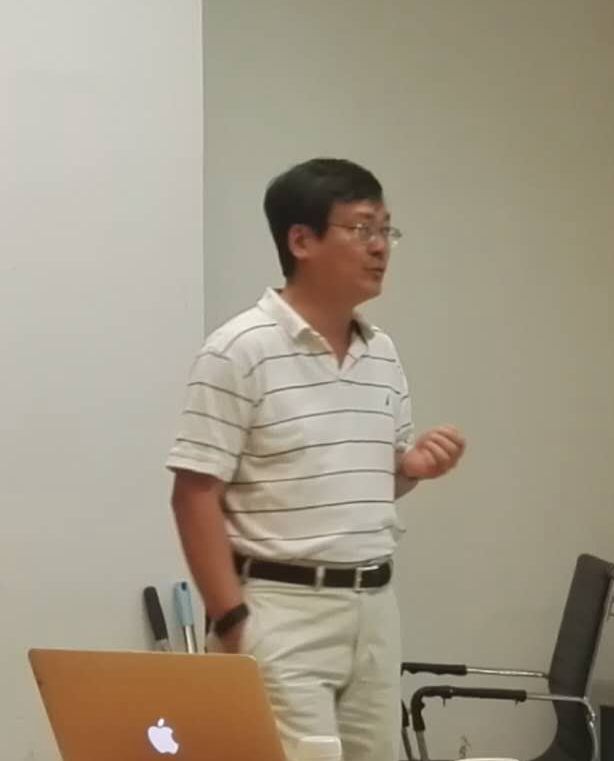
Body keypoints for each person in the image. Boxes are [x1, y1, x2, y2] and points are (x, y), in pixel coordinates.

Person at [166, 157, 466, 761]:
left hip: (374, 607)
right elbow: (194, 493)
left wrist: (408, 470)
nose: (380, 246)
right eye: (362, 229)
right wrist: (232, 619)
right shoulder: (239, 349)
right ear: (301, 240)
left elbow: (363, 483)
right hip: (281, 606)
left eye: (386, 229)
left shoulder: (381, 353)